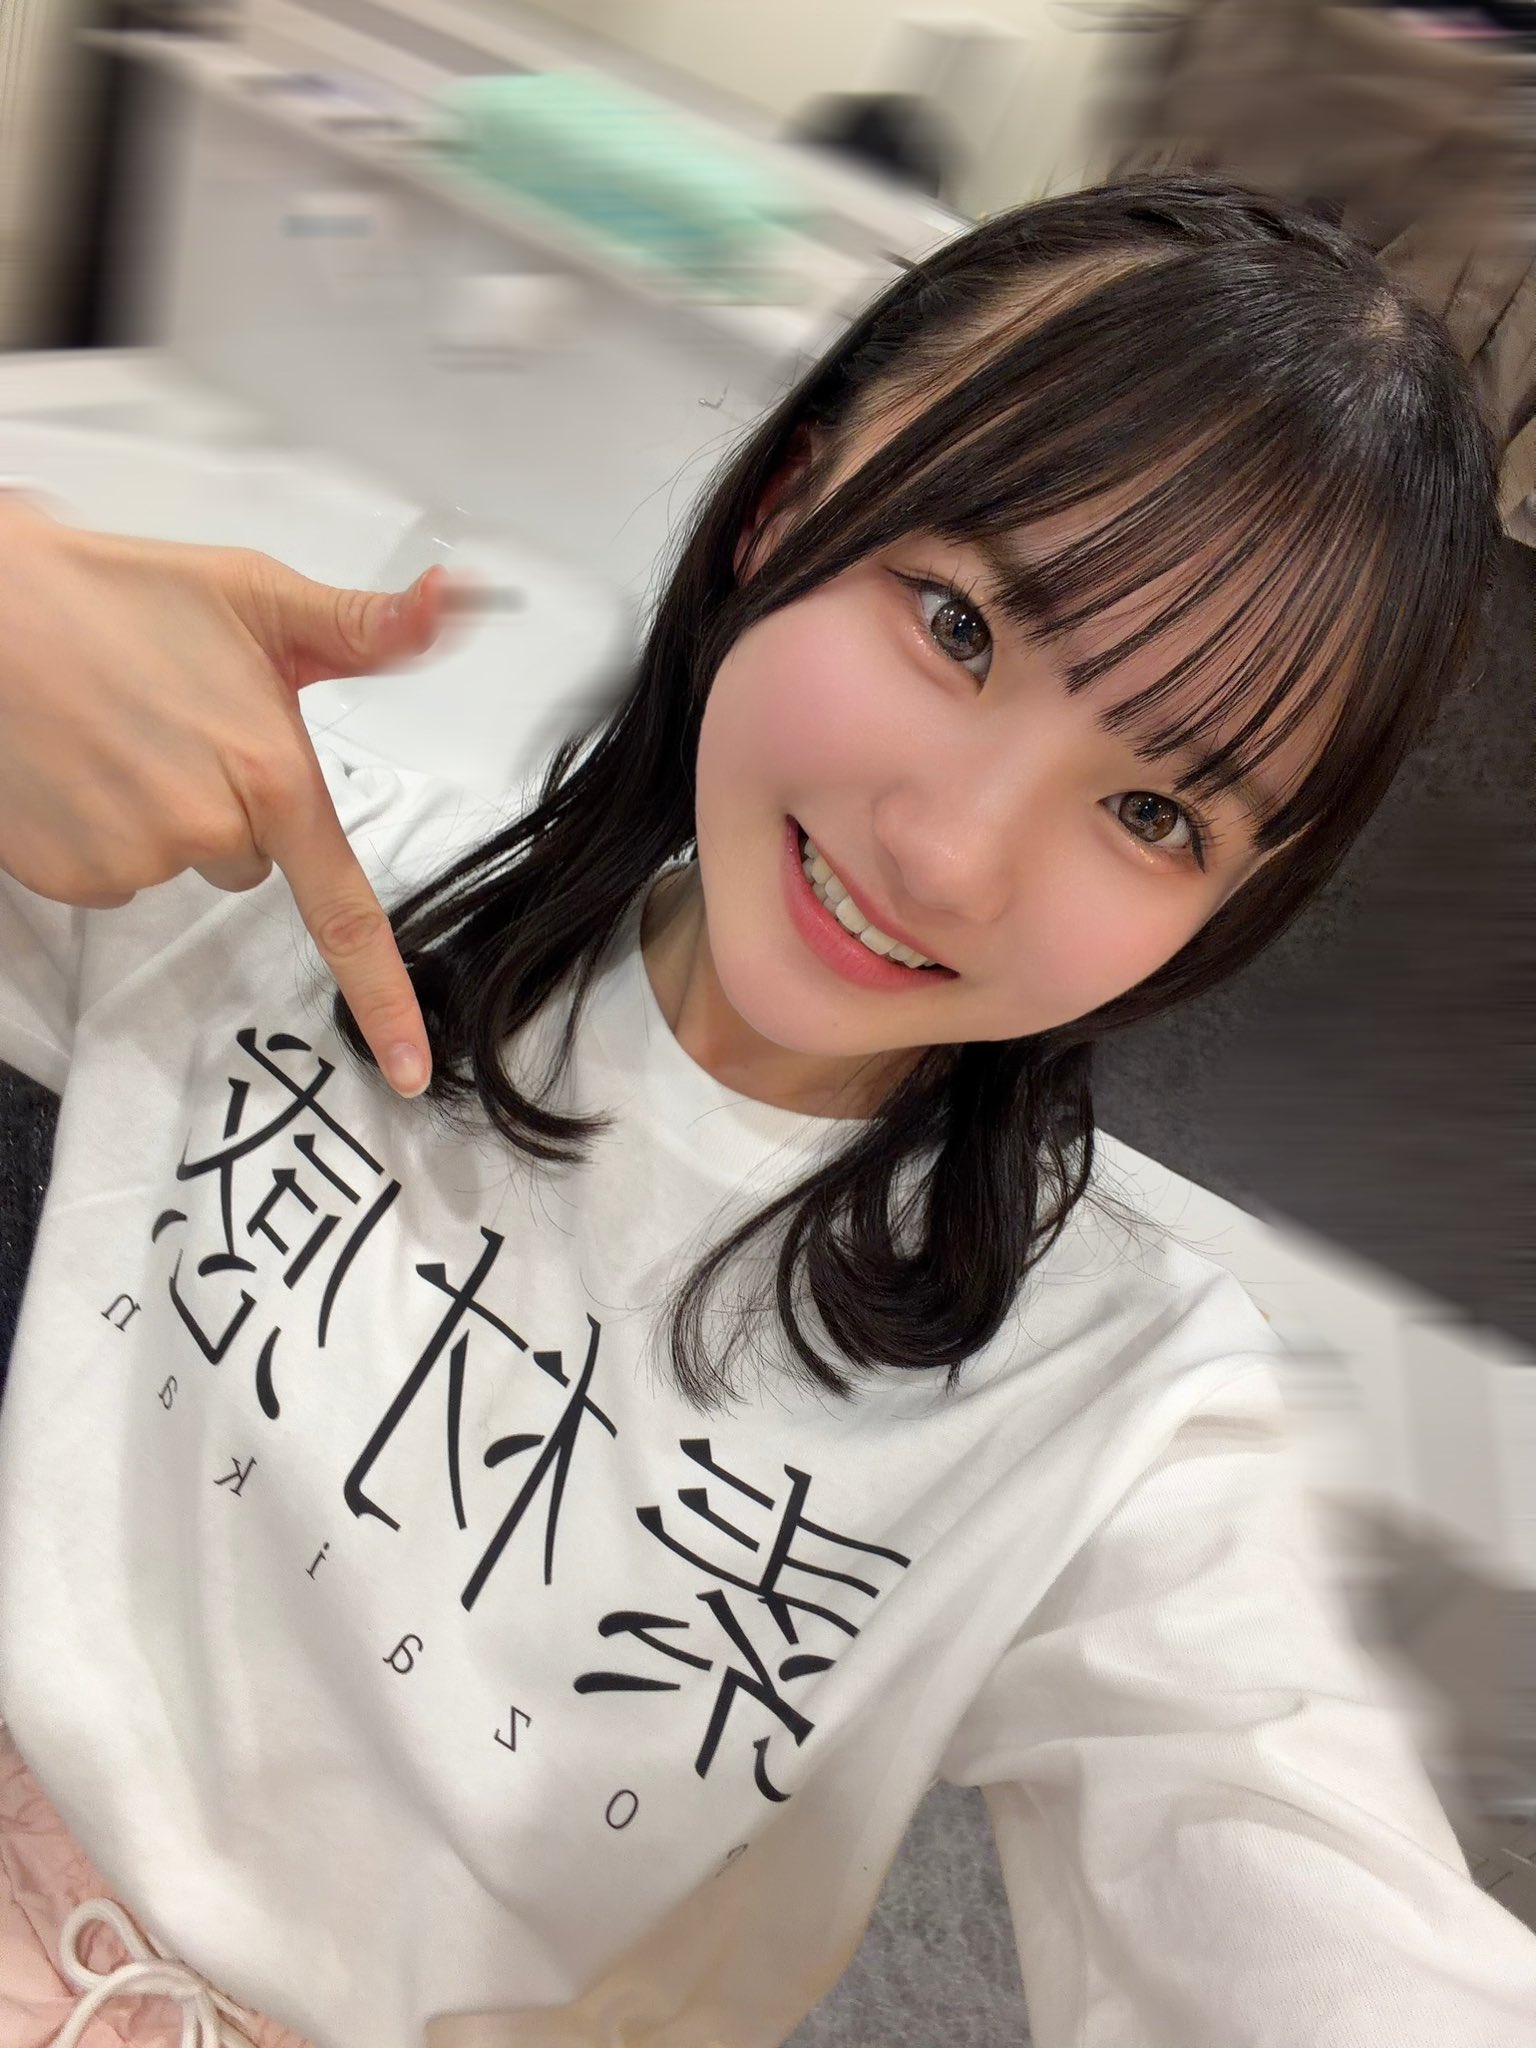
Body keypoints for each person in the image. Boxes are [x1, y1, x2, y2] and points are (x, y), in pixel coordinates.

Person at [0, 171, 1532, 2048]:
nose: (952, 858)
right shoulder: (285, 891)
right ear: (787, 508)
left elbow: (1309, 1896)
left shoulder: (1115, 1411)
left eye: (1155, 812)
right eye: (959, 626)